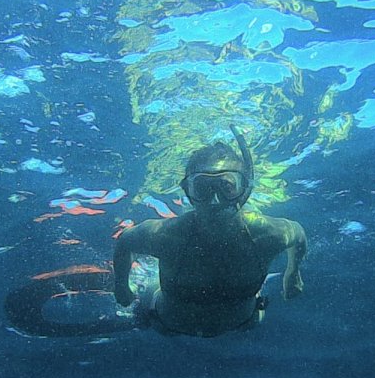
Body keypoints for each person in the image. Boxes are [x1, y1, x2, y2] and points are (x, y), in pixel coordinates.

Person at [113, 127, 308, 337]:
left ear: (244, 190)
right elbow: (124, 241)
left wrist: (293, 272)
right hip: (164, 323)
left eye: (226, 187)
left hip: (244, 321)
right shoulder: (167, 236)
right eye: (203, 188)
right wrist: (121, 287)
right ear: (189, 192)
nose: (215, 200)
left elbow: (297, 234)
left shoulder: (267, 234)